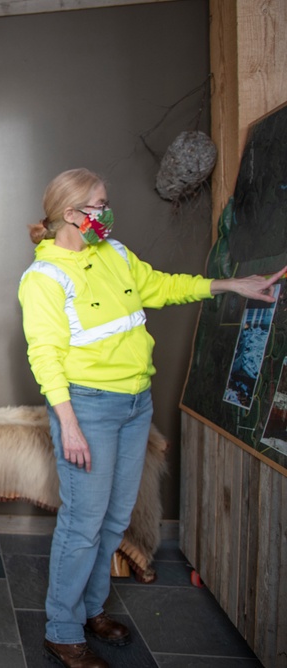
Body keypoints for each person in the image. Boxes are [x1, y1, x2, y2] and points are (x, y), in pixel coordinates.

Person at [18, 168, 284, 668]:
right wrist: (69, 424)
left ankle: (91, 610)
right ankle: (62, 630)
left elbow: (160, 287)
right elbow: (45, 356)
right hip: (89, 409)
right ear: (74, 215)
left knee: (116, 518)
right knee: (83, 524)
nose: (108, 212)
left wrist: (229, 284)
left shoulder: (114, 254)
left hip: (136, 404)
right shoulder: (44, 278)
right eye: (101, 204)